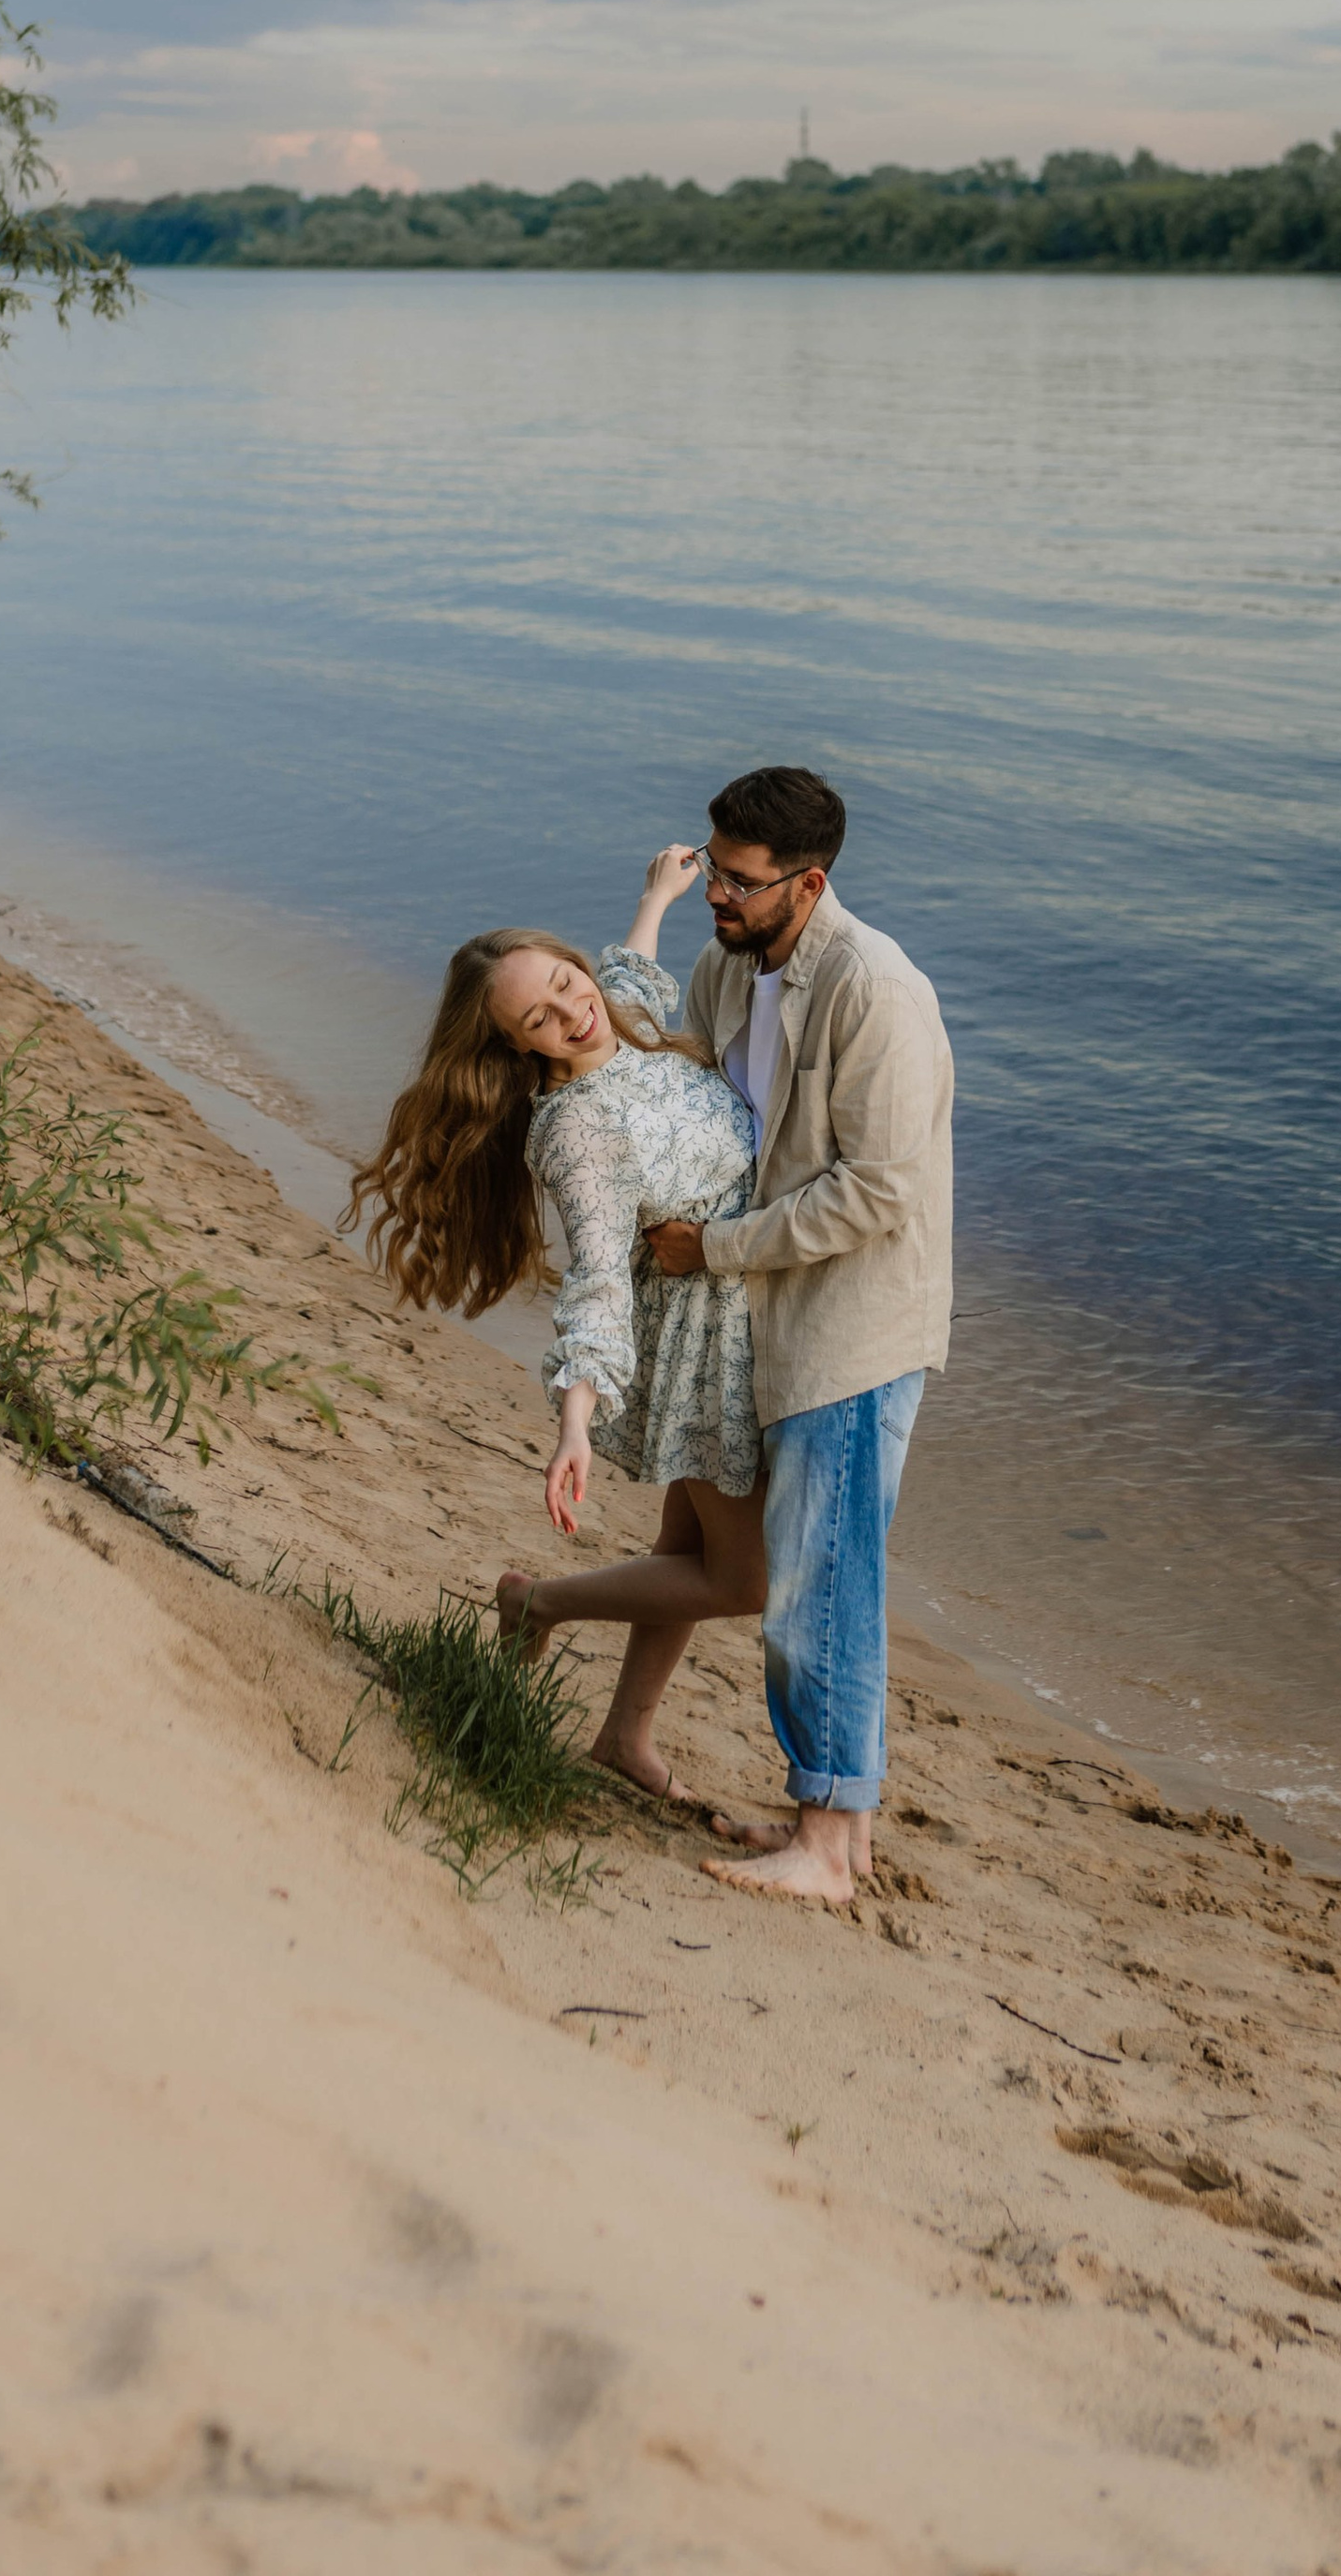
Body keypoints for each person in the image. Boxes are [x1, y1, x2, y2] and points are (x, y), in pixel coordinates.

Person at [345, 848, 763, 1801]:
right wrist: (574, 1421)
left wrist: (659, 892)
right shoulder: (576, 1130)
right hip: (698, 1346)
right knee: (744, 1579)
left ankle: (622, 1735)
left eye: (565, 983)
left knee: (686, 1557)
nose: (571, 1012)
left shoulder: (622, 1015)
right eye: (540, 1016)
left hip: (748, 1311)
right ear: (516, 1043)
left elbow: (627, 967)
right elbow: (597, 1285)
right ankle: (538, 1602)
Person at [643, 765, 953, 1907]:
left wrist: (713, 1252)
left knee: (822, 1585)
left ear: (807, 882)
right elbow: (679, 1090)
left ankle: (830, 1844)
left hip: (854, 1324)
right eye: (713, 867)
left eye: (739, 879)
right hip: (766, 1315)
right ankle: (831, 1819)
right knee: (806, 1581)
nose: (717, 892)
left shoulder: (875, 990)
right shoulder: (727, 964)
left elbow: (876, 1191)